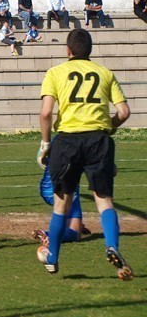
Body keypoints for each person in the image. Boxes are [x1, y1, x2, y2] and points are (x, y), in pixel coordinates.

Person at [36, 28, 132, 280]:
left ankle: (53, 258)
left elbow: (45, 113)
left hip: (67, 141)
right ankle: (112, 246)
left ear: (67, 50)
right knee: (104, 201)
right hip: (98, 140)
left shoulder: (55, 72)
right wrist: (108, 127)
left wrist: (45, 144)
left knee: (62, 203)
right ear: (90, 50)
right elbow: (123, 112)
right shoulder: (104, 73)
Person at [33, 161, 91, 246]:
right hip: (62, 187)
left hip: (48, 186)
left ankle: (74, 224)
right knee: (76, 233)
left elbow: (42, 158)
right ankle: (48, 235)